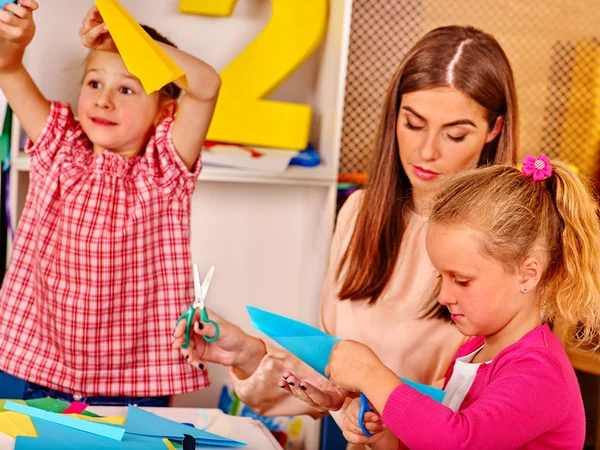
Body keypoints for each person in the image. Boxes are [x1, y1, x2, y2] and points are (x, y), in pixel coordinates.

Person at [174, 25, 518, 446]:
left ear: (495, 129)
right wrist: (249, 355)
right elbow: (329, 376)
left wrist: (385, 418)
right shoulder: (359, 214)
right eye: (412, 124)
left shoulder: (510, 243)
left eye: (455, 134)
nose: (428, 151)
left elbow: (488, 418)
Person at [0, 2, 221, 405]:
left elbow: (207, 86)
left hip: (135, 380)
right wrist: (15, 40)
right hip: (35, 362)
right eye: (94, 83)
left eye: (127, 89)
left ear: (164, 112)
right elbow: (8, 69)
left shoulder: (164, 169)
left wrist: (132, 37)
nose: (104, 101)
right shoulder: (60, 147)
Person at [326, 156, 597, 449]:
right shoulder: (475, 350)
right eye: (440, 277)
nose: (443, 296)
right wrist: (384, 432)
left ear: (527, 274)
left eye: (462, 281)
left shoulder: (539, 373)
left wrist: (372, 376)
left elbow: (457, 440)